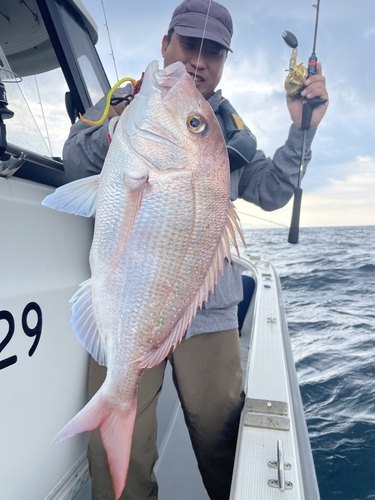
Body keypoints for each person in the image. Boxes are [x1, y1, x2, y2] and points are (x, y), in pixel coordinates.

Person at [63, 1, 329, 499]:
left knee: (223, 445)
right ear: (166, 44)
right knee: (117, 462)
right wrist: (117, 133)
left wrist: (302, 131)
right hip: (126, 305)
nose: (199, 61)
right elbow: (73, 159)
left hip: (209, 313)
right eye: (189, 45)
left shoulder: (226, 129)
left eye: (214, 53)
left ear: (225, 61)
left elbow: (272, 191)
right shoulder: (123, 100)